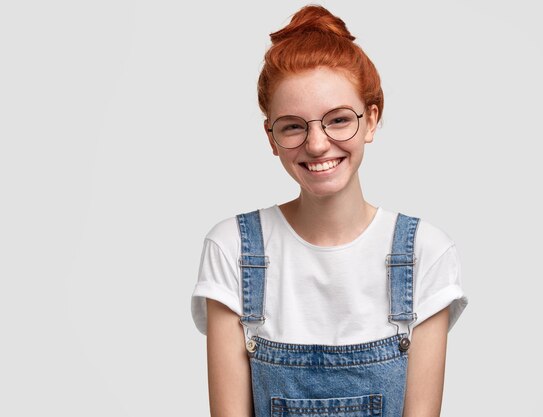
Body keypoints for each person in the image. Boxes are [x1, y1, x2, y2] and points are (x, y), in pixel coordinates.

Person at [190, 5, 468, 417]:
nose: (317, 144)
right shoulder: (233, 249)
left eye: (338, 120)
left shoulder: (425, 252)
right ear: (271, 137)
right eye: (293, 125)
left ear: (371, 120)